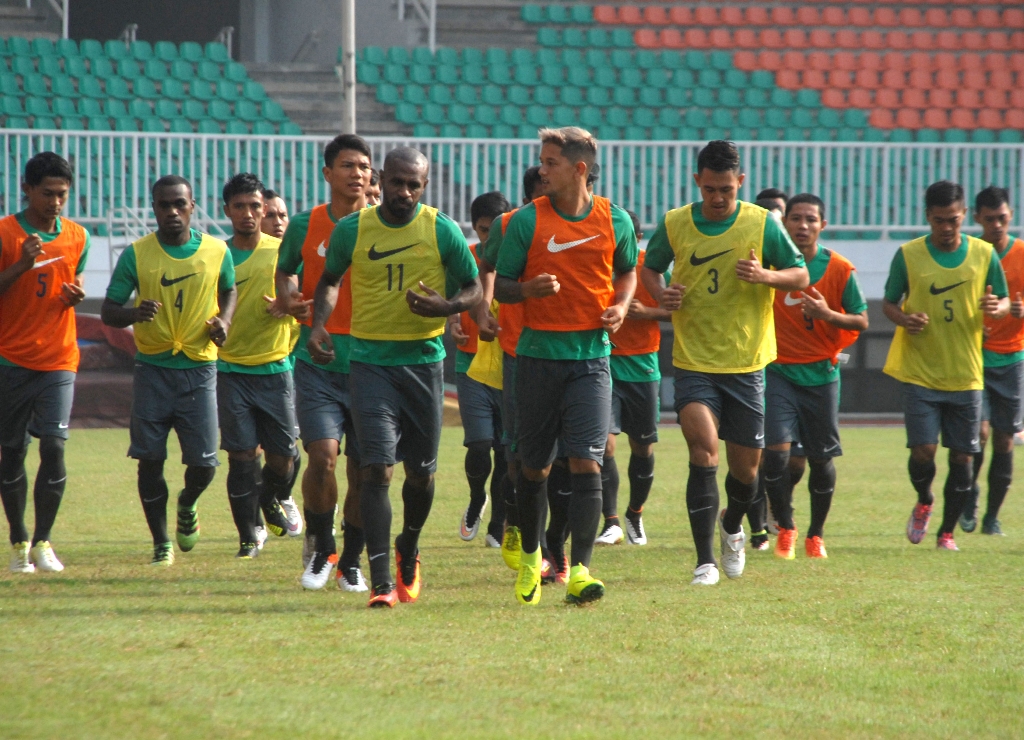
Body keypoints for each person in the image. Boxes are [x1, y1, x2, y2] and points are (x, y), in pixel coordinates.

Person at [311, 146, 481, 607]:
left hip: (423, 364)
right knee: (376, 469)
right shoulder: (353, 229)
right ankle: (382, 580)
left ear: (424, 186)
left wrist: (448, 307)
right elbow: (329, 280)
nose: (404, 192)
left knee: (420, 475)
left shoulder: (441, 229)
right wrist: (320, 324)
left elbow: (473, 286)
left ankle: (410, 544)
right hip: (369, 364)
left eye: (414, 185)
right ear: (381, 179)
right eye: (397, 182)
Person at [642, 140, 808, 586]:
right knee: (703, 452)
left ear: (741, 183)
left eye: (727, 190)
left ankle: (732, 525)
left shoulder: (762, 223)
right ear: (698, 181)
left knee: (747, 473)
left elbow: (800, 274)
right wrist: (662, 293)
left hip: (746, 363)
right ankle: (704, 562)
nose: (717, 198)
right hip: (694, 360)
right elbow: (650, 268)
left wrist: (765, 275)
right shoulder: (675, 223)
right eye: (710, 189)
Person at [495, 126, 638, 606]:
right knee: (534, 468)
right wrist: (527, 290)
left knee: (587, 461)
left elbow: (627, 271)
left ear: (579, 169)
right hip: (537, 360)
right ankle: (531, 559)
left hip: (591, 360)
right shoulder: (525, 221)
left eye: (550, 162)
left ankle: (580, 571)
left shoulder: (615, 219)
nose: (542, 170)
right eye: (541, 160)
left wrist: (621, 305)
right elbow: (501, 284)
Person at [101, 176, 236, 565]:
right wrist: (133, 313)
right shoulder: (137, 254)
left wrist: (224, 321)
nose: (172, 212)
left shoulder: (216, 251)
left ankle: (187, 501)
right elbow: (109, 311)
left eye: (180, 204)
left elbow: (229, 289)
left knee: (205, 464)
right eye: (164, 205)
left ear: (193, 206)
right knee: (150, 460)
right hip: (153, 371)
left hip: (199, 369)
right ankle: (161, 543)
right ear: (154, 209)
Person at [882, 180, 1009, 551]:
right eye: (939, 220)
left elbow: (1002, 300)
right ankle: (925, 499)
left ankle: (946, 533)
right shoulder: (908, 255)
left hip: (966, 374)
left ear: (964, 215)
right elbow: (889, 303)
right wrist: (904, 318)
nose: (947, 227)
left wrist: (996, 308)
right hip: (920, 372)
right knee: (923, 452)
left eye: (953, 219)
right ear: (928, 217)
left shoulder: (984, 254)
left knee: (963, 458)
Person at [275, 133, 372, 590]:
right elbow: (285, 269)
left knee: (365, 471)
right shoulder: (305, 224)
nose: (357, 174)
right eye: (348, 165)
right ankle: (322, 547)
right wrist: (289, 296)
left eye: (364, 167)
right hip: (317, 361)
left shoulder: (382, 226)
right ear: (328, 173)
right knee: (322, 458)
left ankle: (351, 560)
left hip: (371, 365)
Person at [764, 193, 868, 559]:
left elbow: (861, 319)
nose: (803, 225)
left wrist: (828, 315)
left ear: (822, 225)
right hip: (776, 372)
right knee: (775, 456)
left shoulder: (839, 269)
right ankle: (786, 527)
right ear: (785, 223)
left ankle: (816, 536)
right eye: (796, 218)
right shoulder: (772, 265)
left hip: (821, 375)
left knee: (821, 460)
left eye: (811, 219)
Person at [0, 152, 90, 573]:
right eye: (48, 194)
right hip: (10, 359)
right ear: (27, 189)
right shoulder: (5, 233)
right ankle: (19, 541)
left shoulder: (77, 236)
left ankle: (43, 542)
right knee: (12, 451)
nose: (55, 202)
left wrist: (75, 296)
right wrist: (22, 264)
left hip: (58, 358)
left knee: (54, 445)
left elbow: (74, 282)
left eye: (62, 195)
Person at [217, 174, 306, 558]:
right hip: (230, 370)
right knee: (240, 457)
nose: (248, 213)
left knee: (284, 458)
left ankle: (270, 497)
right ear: (227, 210)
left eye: (255, 206)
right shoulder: (216, 254)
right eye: (240, 206)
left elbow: (302, 300)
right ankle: (248, 538)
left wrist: (290, 304)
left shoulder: (282, 252)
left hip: (275, 368)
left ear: (264, 209)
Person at [474, 166, 545, 561]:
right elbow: (488, 267)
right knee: (516, 456)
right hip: (518, 353)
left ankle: (553, 547)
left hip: (574, 354)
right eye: (541, 193)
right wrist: (484, 309)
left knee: (570, 458)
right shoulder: (513, 227)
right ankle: (514, 522)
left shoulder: (594, 221)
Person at [594, 210, 671, 548]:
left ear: (636, 239)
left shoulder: (649, 268)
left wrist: (647, 312)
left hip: (642, 365)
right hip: (602, 362)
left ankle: (635, 514)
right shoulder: (593, 264)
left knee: (642, 445)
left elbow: (678, 311)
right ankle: (610, 522)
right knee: (604, 444)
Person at [959, 186, 1024, 536]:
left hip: (1012, 358)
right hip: (975, 358)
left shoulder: (1022, 254)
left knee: (1004, 439)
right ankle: (969, 497)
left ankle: (992, 517)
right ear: (977, 219)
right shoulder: (971, 253)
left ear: (1010, 216)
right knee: (979, 433)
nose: (996, 225)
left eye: (1002, 218)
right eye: (989, 219)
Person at [449, 191, 511, 544]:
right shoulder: (467, 259)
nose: (490, 238)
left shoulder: (517, 259)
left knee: (505, 450)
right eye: (484, 230)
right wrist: (452, 322)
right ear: (475, 228)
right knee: (479, 444)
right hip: (470, 362)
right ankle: (476, 498)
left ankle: (498, 522)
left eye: (496, 230)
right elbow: (452, 296)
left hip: (507, 363)